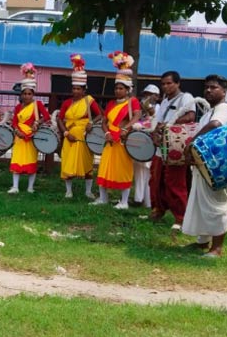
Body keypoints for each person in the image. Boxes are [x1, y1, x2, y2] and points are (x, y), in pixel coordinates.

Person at [182, 74, 227, 257]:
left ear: (224, 91)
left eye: (214, 87)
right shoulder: (208, 112)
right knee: (200, 203)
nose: (208, 90)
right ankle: (202, 242)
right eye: (206, 87)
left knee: (217, 206)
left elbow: (215, 125)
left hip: (219, 167)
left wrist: (192, 143)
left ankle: (217, 248)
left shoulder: (224, 109)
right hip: (205, 166)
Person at [149, 70, 197, 228]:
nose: (166, 86)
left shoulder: (186, 97)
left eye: (169, 83)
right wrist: (155, 132)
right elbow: (159, 120)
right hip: (160, 145)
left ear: (177, 83)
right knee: (155, 180)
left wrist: (169, 124)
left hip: (175, 146)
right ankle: (158, 209)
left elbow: (190, 117)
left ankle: (180, 217)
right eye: (163, 84)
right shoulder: (164, 101)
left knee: (174, 181)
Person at [95, 52, 141, 209]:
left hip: (122, 139)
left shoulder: (132, 102)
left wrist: (126, 128)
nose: (117, 91)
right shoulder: (110, 104)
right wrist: (106, 132)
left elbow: (137, 116)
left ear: (127, 89)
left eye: (121, 88)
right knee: (104, 168)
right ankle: (103, 198)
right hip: (109, 139)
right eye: (116, 88)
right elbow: (104, 121)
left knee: (123, 169)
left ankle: (124, 201)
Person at [57, 53, 101, 199]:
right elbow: (59, 119)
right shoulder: (66, 103)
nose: (76, 91)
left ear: (84, 90)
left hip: (84, 137)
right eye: (74, 88)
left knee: (87, 162)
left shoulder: (89, 101)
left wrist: (91, 123)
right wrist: (65, 134)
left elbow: (100, 115)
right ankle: (68, 191)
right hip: (69, 137)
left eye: (79, 89)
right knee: (67, 162)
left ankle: (88, 191)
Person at [8, 63, 51, 194]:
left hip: (31, 136)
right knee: (17, 160)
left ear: (33, 94)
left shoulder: (37, 105)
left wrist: (38, 123)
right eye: (24, 94)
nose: (26, 96)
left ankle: (30, 187)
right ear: (21, 95)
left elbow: (47, 117)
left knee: (31, 160)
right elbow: (14, 121)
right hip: (19, 137)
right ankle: (15, 186)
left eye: (29, 93)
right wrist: (17, 131)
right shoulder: (18, 107)